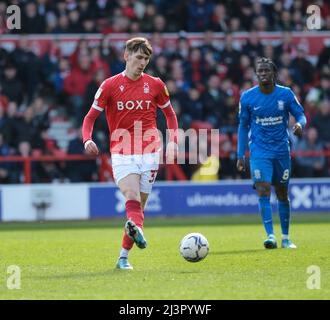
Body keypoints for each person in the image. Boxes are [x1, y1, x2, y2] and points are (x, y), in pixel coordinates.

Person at [82, 37, 178, 269]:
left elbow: (171, 116)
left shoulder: (155, 85)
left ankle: (123, 257)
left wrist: (173, 142)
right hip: (122, 152)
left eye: (146, 58)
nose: (142, 62)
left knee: (138, 209)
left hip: (150, 152)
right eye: (138, 57)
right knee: (132, 197)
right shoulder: (109, 85)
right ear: (126, 56)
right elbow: (89, 118)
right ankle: (135, 234)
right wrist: (87, 139)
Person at [236, 57, 306, 249]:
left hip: (281, 150)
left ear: (274, 74)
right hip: (259, 151)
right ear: (256, 74)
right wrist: (240, 154)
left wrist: (299, 124)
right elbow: (243, 126)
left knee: (282, 193)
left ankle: (286, 238)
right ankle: (270, 236)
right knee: (263, 188)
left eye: (267, 71)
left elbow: (300, 114)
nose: (263, 74)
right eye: (260, 71)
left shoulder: (286, 94)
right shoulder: (247, 97)